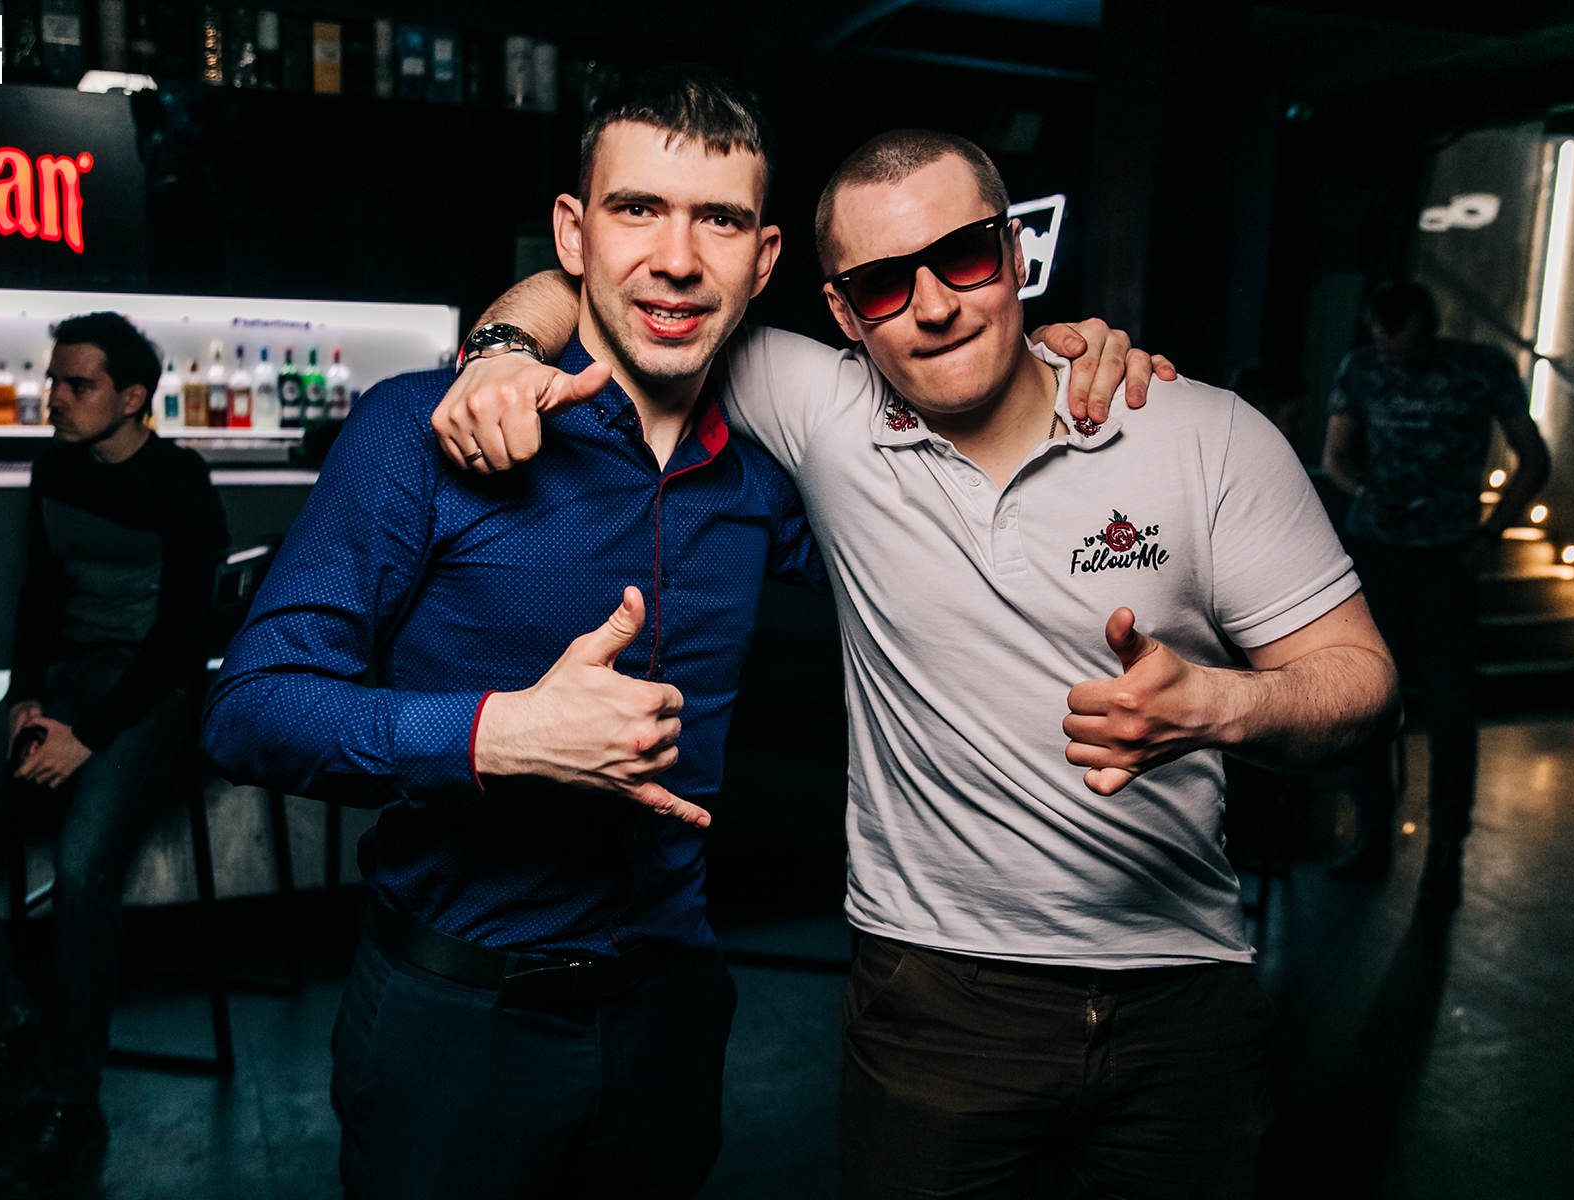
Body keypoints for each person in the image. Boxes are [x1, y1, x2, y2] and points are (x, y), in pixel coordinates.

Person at [201, 69, 1159, 1200]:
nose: (677, 257)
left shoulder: (773, 474)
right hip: (453, 1021)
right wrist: (499, 737)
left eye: (720, 221)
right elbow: (251, 707)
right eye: (638, 209)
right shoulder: (422, 428)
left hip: (670, 1014)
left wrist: (1076, 369)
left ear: (763, 259)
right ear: (574, 232)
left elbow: (964, 512)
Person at [436, 128, 1399, 1199]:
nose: (934, 306)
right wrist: (503, 352)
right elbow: (619, 297)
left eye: (966, 258)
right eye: (885, 285)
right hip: (934, 998)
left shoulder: (1201, 435)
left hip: (1182, 994)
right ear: (844, 313)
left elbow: (1363, 687)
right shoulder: (824, 410)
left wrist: (1221, 705)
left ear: (1017, 253)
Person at [0, 312, 228, 1200]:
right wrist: (28, 698)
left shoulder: (180, 483)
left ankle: (71, 1098)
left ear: (132, 397)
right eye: (54, 381)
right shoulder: (55, 468)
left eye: (77, 385)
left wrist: (91, 733)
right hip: (64, 685)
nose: (55, 398)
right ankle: (5, 1034)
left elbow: (180, 641)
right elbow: (40, 596)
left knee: (84, 871)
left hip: (144, 697)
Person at [1321, 280, 1549, 907]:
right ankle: (1371, 837)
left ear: (1431, 332)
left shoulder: (1482, 368)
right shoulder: (1359, 367)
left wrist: (1490, 534)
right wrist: (1366, 492)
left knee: (1450, 711)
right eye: (1385, 349)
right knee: (1367, 700)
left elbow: (1535, 459)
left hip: (1447, 558)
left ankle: (1447, 853)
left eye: (1409, 351)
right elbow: (1335, 457)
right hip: (1375, 552)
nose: (1395, 362)